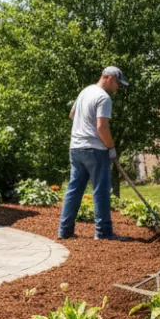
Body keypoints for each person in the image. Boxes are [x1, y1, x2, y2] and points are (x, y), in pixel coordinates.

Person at [58, 66, 129, 241]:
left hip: (76, 148)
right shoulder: (104, 98)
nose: (117, 87)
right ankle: (103, 232)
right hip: (95, 150)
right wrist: (111, 148)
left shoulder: (85, 92)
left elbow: (72, 114)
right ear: (110, 78)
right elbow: (101, 127)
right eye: (117, 83)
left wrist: (83, 126)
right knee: (101, 191)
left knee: (74, 190)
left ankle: (65, 231)